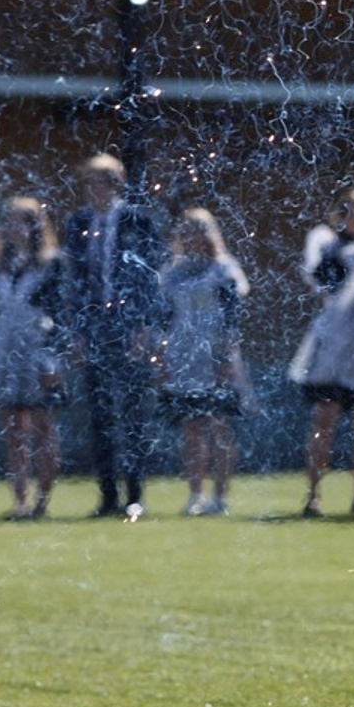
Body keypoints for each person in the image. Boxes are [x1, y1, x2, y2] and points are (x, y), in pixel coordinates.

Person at [62, 153, 167, 519]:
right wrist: (76, 332)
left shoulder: (138, 220)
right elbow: (74, 281)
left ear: (117, 182)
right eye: (89, 180)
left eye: (102, 180)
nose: (95, 188)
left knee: (134, 413)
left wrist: (143, 328)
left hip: (129, 326)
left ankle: (134, 494)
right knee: (100, 415)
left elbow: (149, 276)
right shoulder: (77, 223)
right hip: (94, 329)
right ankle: (107, 495)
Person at [289, 188, 354, 517]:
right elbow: (321, 280)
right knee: (323, 421)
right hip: (333, 347)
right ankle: (313, 494)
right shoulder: (328, 244)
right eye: (351, 212)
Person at [158, 209, 250, 517]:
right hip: (184, 352)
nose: (189, 237)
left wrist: (226, 357)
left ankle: (220, 495)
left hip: (215, 350)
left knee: (219, 425)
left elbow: (233, 317)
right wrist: (163, 356)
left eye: (196, 231)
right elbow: (164, 316)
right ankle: (195, 493)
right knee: (192, 426)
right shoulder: (174, 271)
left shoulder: (223, 268)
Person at [0, 199, 65, 520]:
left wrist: (52, 359)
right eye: (10, 222)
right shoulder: (2, 265)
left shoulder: (51, 264)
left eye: (21, 222)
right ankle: (20, 501)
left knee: (43, 426)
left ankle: (43, 500)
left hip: (39, 351)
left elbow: (60, 314)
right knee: (14, 428)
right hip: (7, 351)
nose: (14, 229)